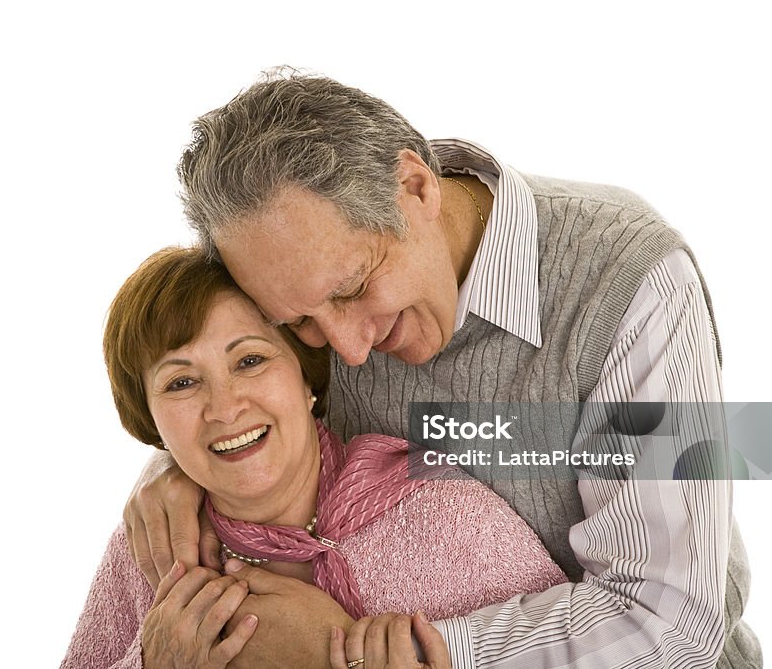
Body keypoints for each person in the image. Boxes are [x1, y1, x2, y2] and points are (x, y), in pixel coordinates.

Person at [124, 73, 760, 668]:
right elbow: (252, 384)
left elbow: (669, 624)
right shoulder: (316, 269)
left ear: (416, 188)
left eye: (352, 289)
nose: (346, 351)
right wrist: (186, 464)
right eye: (300, 324)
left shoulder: (626, 281)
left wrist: (350, 652)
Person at [60, 247, 568, 669]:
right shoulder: (148, 550)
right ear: (151, 421)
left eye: (251, 360)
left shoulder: (448, 517)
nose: (224, 407)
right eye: (182, 382)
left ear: (306, 378)